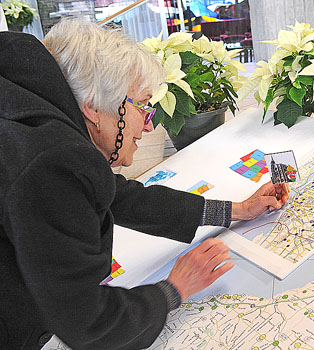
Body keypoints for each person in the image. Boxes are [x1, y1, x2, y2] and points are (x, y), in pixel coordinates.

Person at [0, 18, 289, 349]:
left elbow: (116, 196)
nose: (149, 127)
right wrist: (174, 289)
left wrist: (236, 209)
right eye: (143, 106)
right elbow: (89, 323)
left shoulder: (38, 125)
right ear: (94, 107)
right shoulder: (51, 158)